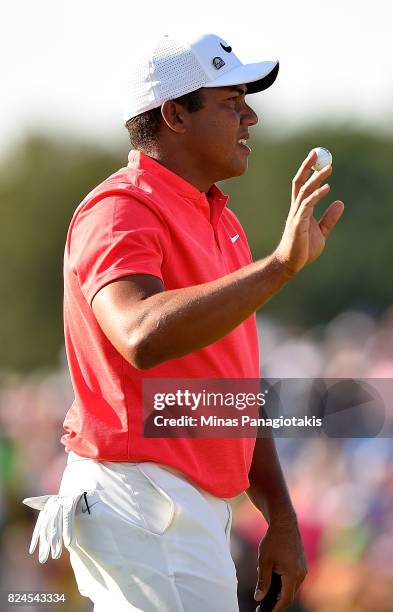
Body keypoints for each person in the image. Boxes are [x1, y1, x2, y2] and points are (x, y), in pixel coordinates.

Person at [23, 32, 344, 612]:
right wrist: (279, 266)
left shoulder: (222, 219)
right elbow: (140, 334)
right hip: (144, 497)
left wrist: (280, 514)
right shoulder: (121, 207)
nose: (251, 115)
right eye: (231, 100)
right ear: (173, 113)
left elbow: (229, 388)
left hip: (176, 506)